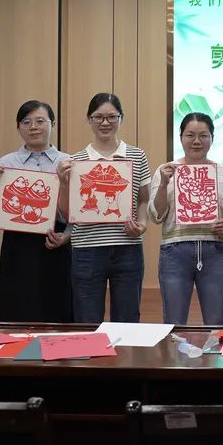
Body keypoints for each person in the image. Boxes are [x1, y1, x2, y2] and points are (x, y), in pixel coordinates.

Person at [58, 93, 151, 324]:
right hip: (86, 250)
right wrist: (63, 183)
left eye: (112, 117)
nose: (105, 122)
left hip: (127, 247)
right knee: (87, 320)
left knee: (127, 320)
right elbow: (66, 213)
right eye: (98, 117)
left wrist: (142, 225)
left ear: (121, 118)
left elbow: (143, 199)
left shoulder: (137, 155)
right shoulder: (76, 161)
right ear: (89, 119)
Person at [0, 100, 73, 323]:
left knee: (57, 308)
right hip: (17, 244)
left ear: (52, 124)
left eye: (40, 121)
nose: (33, 127)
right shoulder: (5, 163)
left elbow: (78, 211)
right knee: (17, 307)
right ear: (18, 127)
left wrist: (67, 235)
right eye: (26, 122)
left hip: (55, 241)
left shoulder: (68, 162)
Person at [150, 113, 223, 325]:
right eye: (190, 135)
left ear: (212, 138)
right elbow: (156, 216)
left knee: (216, 322)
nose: (197, 141)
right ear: (180, 138)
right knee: (174, 322)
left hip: (214, 251)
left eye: (203, 135)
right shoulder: (165, 171)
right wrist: (163, 184)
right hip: (174, 252)